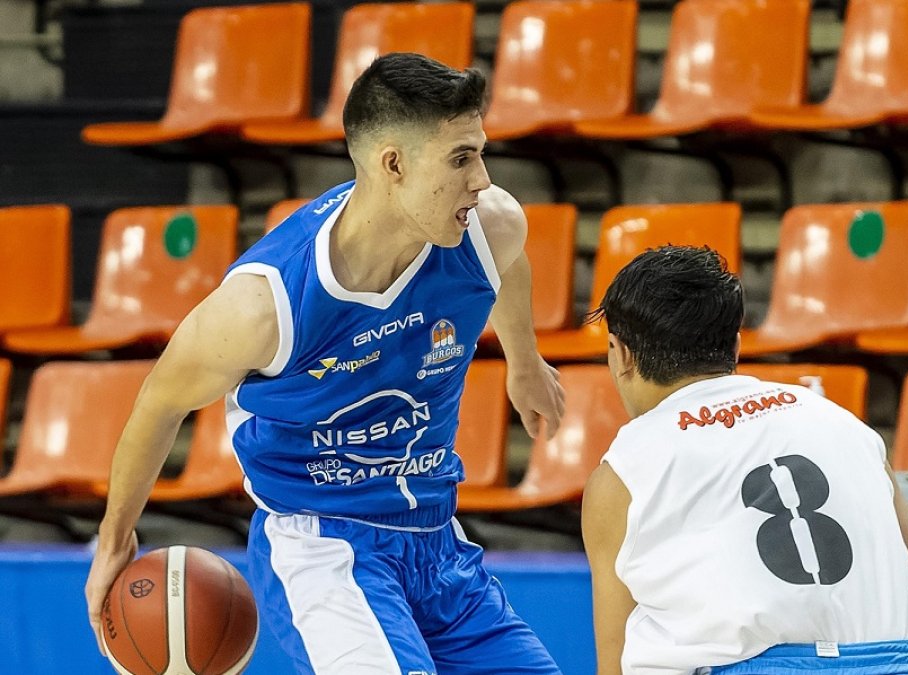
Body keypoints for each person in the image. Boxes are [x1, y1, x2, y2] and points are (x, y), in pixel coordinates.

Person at [85, 53, 566, 674]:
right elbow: (159, 403)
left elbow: (509, 263)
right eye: (460, 159)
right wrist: (114, 540)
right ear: (393, 164)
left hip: (440, 545)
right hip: (325, 547)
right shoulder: (265, 306)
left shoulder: (488, 226)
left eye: (480, 154)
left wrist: (524, 362)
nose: (482, 179)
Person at [581, 245, 908, 675]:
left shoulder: (623, 474)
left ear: (621, 354)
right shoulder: (841, 423)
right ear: (736, 346)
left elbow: (615, 666)